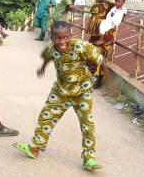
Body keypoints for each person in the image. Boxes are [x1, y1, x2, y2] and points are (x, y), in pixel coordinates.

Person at [12, 21, 103, 171]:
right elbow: (48, 57)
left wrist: (106, 78)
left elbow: (99, 59)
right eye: (58, 38)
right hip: (61, 91)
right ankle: (35, 148)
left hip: (82, 92)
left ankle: (89, 159)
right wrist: (42, 67)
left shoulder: (81, 46)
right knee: (45, 117)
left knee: (87, 125)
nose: (62, 42)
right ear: (52, 38)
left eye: (65, 37)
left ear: (70, 35)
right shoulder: (51, 47)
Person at [92, 0, 126, 89]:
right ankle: (96, 78)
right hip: (103, 33)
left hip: (108, 36)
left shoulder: (121, 12)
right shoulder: (111, 7)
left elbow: (116, 21)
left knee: (102, 57)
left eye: (119, 1)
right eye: (116, 1)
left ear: (123, 2)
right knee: (96, 55)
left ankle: (99, 80)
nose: (116, 3)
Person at [86, 0, 114, 89]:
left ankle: (98, 81)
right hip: (95, 34)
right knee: (90, 54)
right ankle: (90, 77)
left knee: (101, 57)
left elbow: (119, 15)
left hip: (105, 35)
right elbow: (92, 18)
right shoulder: (95, 4)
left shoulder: (111, 6)